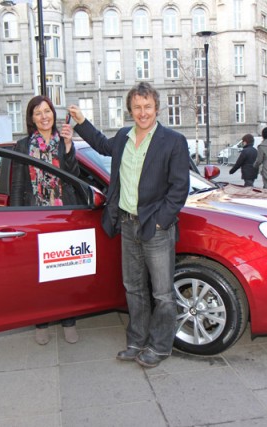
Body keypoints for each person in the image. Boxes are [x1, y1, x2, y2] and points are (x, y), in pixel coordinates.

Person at [68, 82, 190, 368]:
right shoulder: (124, 136)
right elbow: (101, 145)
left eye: (147, 107)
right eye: (137, 107)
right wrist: (81, 121)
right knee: (133, 288)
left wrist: (161, 222)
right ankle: (137, 341)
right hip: (127, 223)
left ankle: (160, 346)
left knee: (162, 293)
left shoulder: (173, 141)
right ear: (130, 110)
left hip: (155, 228)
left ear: (156, 108)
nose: (142, 112)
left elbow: (179, 188)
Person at [11, 95, 80, 345]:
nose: (44, 116)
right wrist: (16, 222)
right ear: (32, 118)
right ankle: (41, 322)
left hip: (62, 216)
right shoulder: (22, 146)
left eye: (47, 111)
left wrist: (69, 146)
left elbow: (74, 176)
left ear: (53, 113)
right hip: (35, 216)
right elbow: (17, 185)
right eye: (38, 112)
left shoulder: (63, 141)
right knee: (40, 274)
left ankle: (68, 320)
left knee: (65, 272)